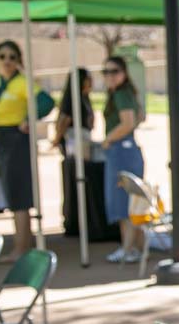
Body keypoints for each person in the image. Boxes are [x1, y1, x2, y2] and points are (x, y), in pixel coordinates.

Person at [0, 41, 35, 258]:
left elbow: (44, 101)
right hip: (0, 137)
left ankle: (22, 247)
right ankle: (24, 244)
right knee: (11, 194)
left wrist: (27, 119)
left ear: (18, 60)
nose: (7, 61)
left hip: (16, 140)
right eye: (2, 56)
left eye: (12, 57)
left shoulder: (23, 82)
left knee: (19, 194)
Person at [101, 56, 146, 264]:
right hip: (126, 150)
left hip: (122, 151)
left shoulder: (122, 93)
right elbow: (140, 116)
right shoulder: (124, 93)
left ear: (124, 72)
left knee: (124, 202)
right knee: (129, 202)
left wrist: (109, 138)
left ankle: (128, 248)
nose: (109, 75)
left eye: (114, 71)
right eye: (106, 71)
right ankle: (135, 247)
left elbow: (128, 123)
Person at [53, 67, 94, 154]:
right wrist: (57, 139)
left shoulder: (85, 97)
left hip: (84, 137)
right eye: (88, 79)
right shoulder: (72, 98)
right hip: (74, 139)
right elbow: (64, 119)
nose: (91, 82)